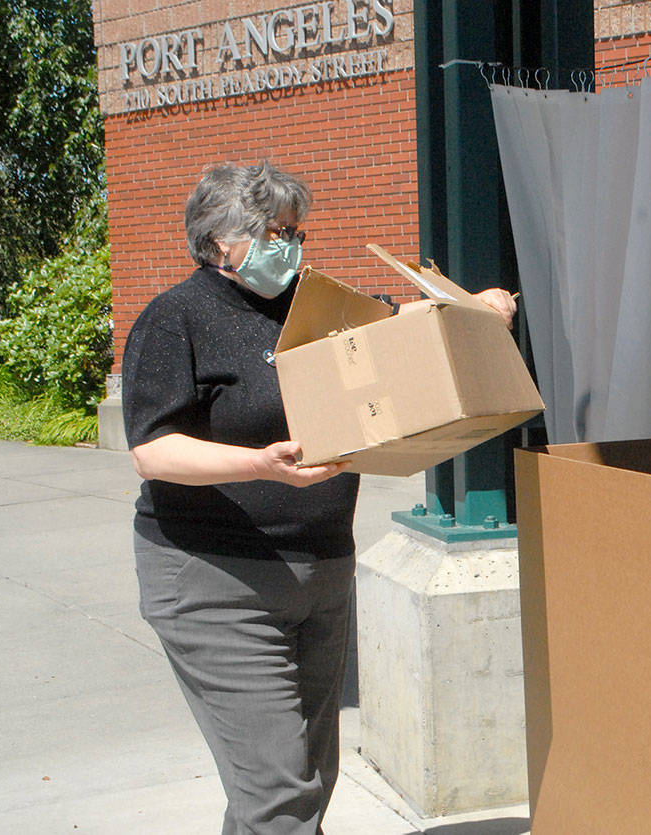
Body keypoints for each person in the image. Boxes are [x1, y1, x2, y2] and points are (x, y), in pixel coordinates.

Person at [122, 161, 516, 833]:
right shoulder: (177, 319)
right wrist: (258, 464)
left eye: (297, 231)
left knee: (303, 781)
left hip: (320, 571)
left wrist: (471, 306)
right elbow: (151, 448)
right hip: (216, 580)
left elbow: (394, 320)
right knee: (280, 794)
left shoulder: (310, 305)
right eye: (277, 231)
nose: (293, 245)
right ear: (223, 240)